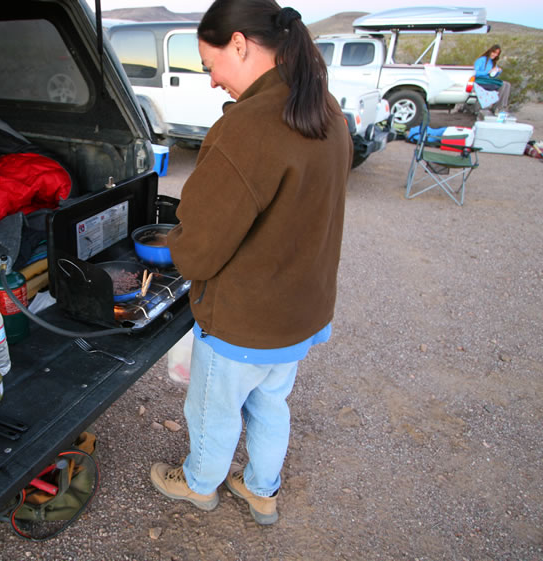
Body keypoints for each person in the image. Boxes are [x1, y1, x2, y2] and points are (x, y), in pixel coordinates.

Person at [149, 0, 352, 525]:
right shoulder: (325, 109)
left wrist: (174, 246)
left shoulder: (251, 125)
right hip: (300, 314)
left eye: (210, 64)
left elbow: (198, 250)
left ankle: (198, 485)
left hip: (246, 319)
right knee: (270, 402)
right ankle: (262, 489)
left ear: (239, 43)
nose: (213, 82)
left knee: (212, 411)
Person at [474, 44, 511, 113]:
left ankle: (502, 106)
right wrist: (487, 72)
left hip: (488, 80)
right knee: (502, 84)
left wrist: (497, 72)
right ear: (490, 51)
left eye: (497, 54)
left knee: (507, 85)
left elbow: (491, 76)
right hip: (480, 81)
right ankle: (497, 107)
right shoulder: (481, 60)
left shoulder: (492, 62)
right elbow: (475, 72)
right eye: (494, 52)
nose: (495, 55)